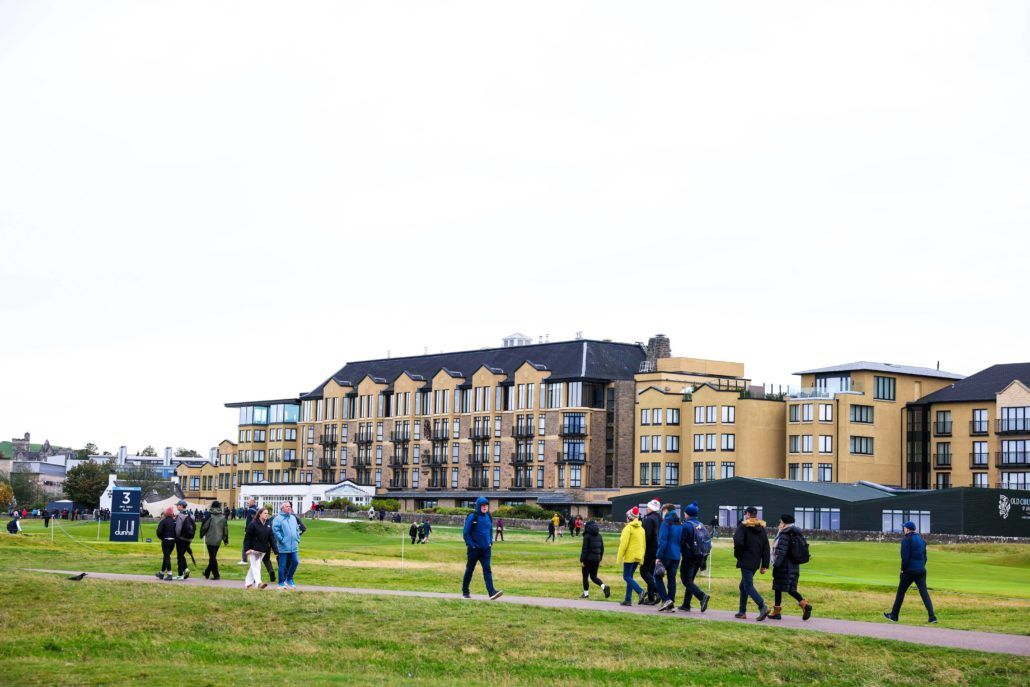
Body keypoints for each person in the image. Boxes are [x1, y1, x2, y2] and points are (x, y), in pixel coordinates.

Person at [884, 521, 936, 624]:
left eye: (904, 528)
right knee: (924, 593)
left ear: (907, 529)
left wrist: (903, 569)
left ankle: (894, 616)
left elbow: (905, 558)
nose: (903, 529)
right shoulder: (921, 539)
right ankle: (932, 617)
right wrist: (920, 567)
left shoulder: (906, 540)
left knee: (901, 592)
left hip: (909, 571)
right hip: (921, 571)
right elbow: (925, 557)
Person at [768, 514, 811, 621]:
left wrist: (776, 565)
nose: (779, 524)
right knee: (791, 589)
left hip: (784, 566)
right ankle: (804, 605)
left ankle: (777, 613)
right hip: (794, 566)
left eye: (780, 522)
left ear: (784, 523)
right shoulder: (796, 534)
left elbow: (781, 552)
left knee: (778, 588)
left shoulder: (785, 535)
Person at [461, 496, 503, 600]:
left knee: (487, 570)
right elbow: (465, 533)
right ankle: (465, 592)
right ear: (478, 506)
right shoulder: (472, 516)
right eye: (483, 506)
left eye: (486, 506)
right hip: (474, 550)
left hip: (486, 550)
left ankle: (492, 592)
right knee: (470, 570)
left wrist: (490, 542)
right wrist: (471, 545)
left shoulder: (488, 516)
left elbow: (490, 530)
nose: (485, 507)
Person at [733, 506, 771, 621]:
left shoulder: (743, 526)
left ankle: (762, 606)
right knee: (743, 585)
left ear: (748, 514)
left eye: (746, 513)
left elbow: (738, 541)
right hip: (755, 561)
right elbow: (766, 547)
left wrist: (738, 555)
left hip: (745, 560)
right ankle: (742, 611)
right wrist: (765, 564)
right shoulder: (762, 528)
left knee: (748, 585)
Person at [678, 502, 711, 613]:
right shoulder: (700, 525)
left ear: (688, 514)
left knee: (686, 580)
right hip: (700, 556)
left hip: (689, 557)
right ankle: (686, 604)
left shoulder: (687, 525)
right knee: (690, 580)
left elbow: (681, 542)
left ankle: (702, 597)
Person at [653, 503, 683, 612]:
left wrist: (658, 556)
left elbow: (662, 541)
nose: (662, 513)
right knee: (671, 579)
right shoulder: (680, 523)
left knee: (657, 576)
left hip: (666, 554)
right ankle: (671, 603)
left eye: (662, 511)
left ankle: (666, 600)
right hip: (676, 555)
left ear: (666, 510)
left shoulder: (666, 523)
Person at [616, 507, 645, 607]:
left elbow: (623, 544)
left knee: (626, 576)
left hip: (630, 556)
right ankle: (628, 599)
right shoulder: (641, 529)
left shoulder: (628, 528)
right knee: (630, 577)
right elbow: (643, 544)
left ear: (629, 518)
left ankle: (640, 591)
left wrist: (619, 557)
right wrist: (642, 558)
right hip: (638, 556)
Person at [272, 502, 304, 589]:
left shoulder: (293, 518)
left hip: (294, 545)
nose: (288, 508)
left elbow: (297, 529)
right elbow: (275, 531)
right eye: (286, 506)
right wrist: (282, 540)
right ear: (282, 508)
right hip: (283, 546)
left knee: (295, 561)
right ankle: (281, 583)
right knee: (282, 565)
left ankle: (289, 578)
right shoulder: (277, 519)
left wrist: (297, 538)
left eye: (289, 506)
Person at [243, 507, 273, 589]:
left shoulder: (268, 525)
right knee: (257, 566)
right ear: (260, 514)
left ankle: (248, 583)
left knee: (254, 566)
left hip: (263, 549)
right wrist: (247, 549)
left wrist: (274, 549)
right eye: (265, 513)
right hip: (254, 549)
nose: (267, 515)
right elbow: (247, 537)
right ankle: (259, 583)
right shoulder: (253, 524)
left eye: (267, 513)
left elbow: (270, 538)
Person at [579, 519, 609, 599]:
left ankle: (586, 594)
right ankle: (604, 587)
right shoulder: (599, 536)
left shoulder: (587, 536)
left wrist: (582, 560)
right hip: (596, 559)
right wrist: (600, 558)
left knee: (585, 576)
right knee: (594, 577)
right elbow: (602, 548)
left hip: (588, 559)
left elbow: (584, 549)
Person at [640, 499, 662, 605]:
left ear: (650, 508)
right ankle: (650, 596)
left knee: (644, 571)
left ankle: (657, 590)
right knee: (651, 572)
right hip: (658, 548)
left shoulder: (649, 519)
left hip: (649, 548)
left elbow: (646, 536)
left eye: (647, 507)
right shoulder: (660, 518)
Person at [200, 500, 229, 580]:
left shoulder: (210, 515)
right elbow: (225, 529)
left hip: (210, 538)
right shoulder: (223, 517)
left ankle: (216, 575)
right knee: (213, 557)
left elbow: (204, 526)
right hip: (218, 539)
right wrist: (225, 539)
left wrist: (201, 534)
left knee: (212, 557)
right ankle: (207, 572)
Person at [174, 500, 196, 580]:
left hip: (181, 538)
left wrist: (177, 537)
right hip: (189, 538)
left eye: (178, 505)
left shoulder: (180, 515)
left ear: (181, 506)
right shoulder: (191, 514)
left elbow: (178, 529)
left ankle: (180, 574)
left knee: (179, 556)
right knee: (181, 555)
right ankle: (185, 569)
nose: (177, 506)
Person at [155, 507, 177, 580]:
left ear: (165, 514)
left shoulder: (163, 521)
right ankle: (161, 573)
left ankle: (170, 574)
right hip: (173, 542)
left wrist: (162, 538)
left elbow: (159, 532)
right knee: (166, 556)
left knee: (167, 557)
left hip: (166, 541)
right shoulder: (174, 522)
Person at [239, 497, 257, 564]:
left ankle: (244, 560)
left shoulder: (251, 510)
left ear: (253, 502)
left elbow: (249, 522)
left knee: (245, 544)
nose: (247, 504)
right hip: (255, 530)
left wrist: (246, 530)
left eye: (248, 502)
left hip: (250, 530)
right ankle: (255, 560)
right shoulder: (256, 509)